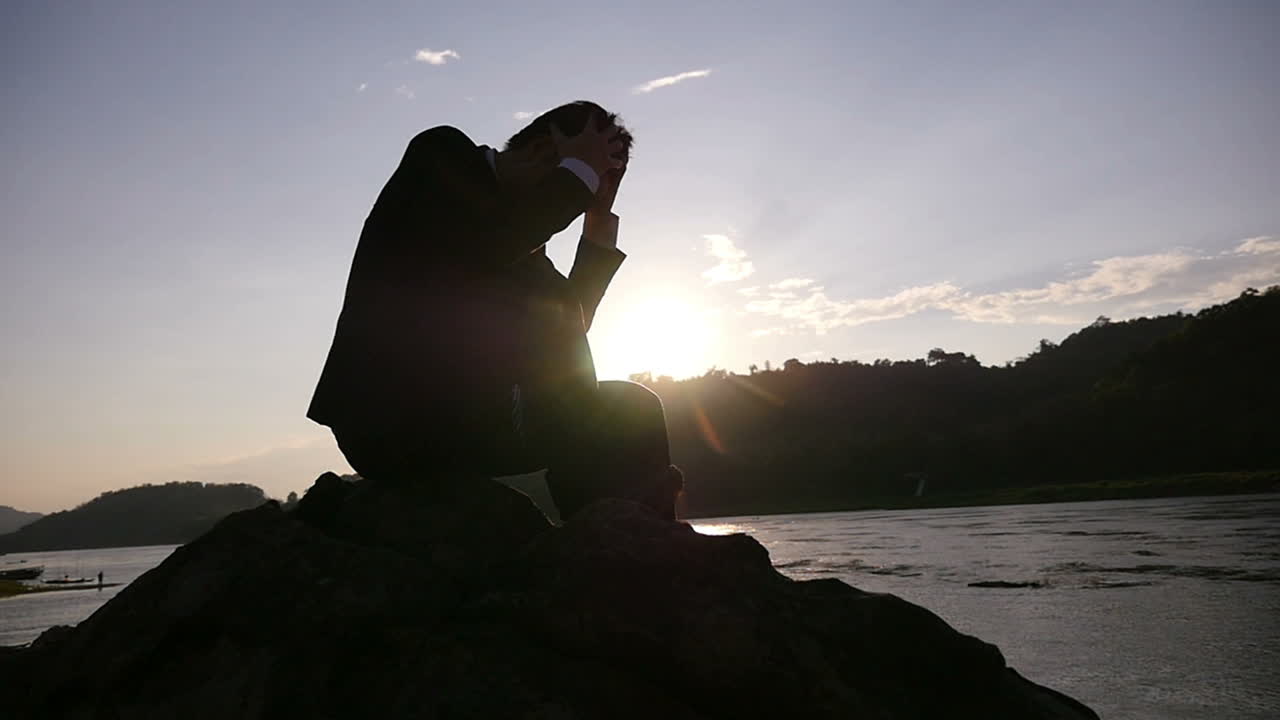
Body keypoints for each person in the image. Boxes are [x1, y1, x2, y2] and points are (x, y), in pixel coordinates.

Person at [307, 101, 683, 520]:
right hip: (390, 420)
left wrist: (597, 221)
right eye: (586, 173)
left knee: (633, 406)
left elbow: (571, 328)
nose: (580, 195)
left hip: (473, 420)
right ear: (545, 151)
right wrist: (577, 178)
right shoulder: (443, 157)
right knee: (596, 412)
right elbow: (485, 246)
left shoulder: (525, 245)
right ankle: (602, 544)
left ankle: (616, 541)